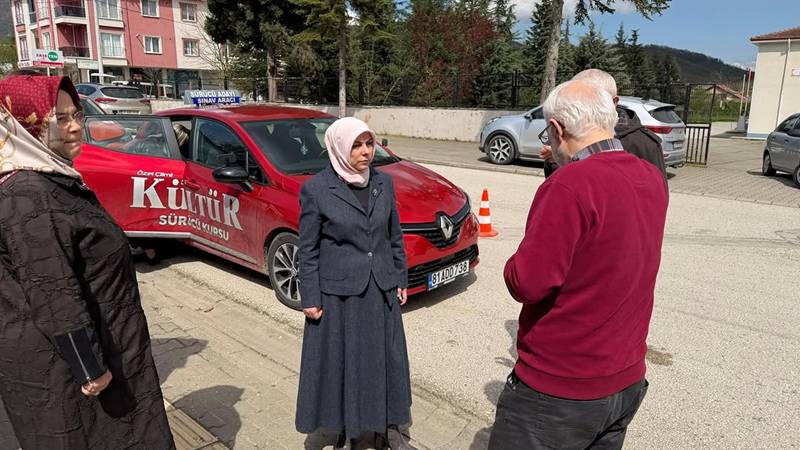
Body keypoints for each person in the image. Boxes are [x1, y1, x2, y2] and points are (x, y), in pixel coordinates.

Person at [488, 79, 669, 450]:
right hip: (625, 380)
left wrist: (512, 264)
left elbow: (528, 282)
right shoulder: (648, 175)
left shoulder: (569, 185)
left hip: (560, 390)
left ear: (556, 129)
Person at [0, 74, 175, 449]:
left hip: (101, 342)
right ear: (25, 124)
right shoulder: (26, 193)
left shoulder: (51, 175)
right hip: (69, 370)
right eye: (59, 118)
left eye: (76, 113)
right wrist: (89, 366)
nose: (76, 126)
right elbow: (52, 290)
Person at [295, 117, 416, 450]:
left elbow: (393, 234)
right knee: (344, 365)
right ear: (338, 147)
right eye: (357, 145)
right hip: (338, 296)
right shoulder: (317, 189)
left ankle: (386, 424)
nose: (365, 152)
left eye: (369, 144)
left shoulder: (383, 183)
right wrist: (310, 296)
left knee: (384, 361)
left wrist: (400, 276)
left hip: (380, 288)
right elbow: (308, 249)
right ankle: (345, 429)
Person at [542, 68, 667, 179]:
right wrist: (557, 158)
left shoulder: (645, 143)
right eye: (577, 99)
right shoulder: (565, 130)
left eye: (593, 99)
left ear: (614, 102)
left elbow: (657, 197)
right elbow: (557, 185)